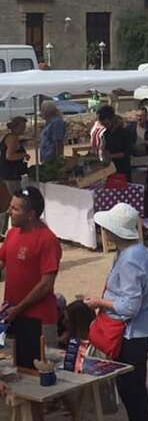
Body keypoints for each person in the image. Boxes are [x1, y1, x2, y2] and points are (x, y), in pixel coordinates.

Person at [85, 203, 148, 421]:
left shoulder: (130, 259)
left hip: (131, 335)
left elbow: (129, 307)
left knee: (132, 391)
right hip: (134, 331)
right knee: (131, 389)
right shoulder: (133, 251)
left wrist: (99, 302)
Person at [0, 187, 62, 345]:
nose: (9, 211)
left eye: (15, 208)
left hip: (39, 320)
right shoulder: (12, 233)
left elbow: (46, 285)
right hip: (11, 316)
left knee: (40, 366)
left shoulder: (48, 240)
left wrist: (19, 308)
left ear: (30, 215)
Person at [0, 116, 30, 235]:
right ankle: (7, 230)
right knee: (14, 202)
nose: (24, 129)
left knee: (7, 202)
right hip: (10, 175)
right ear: (16, 127)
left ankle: (3, 230)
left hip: (6, 174)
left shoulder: (8, 137)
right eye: (22, 126)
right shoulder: (12, 139)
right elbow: (9, 156)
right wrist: (23, 155)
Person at [97, 105, 133, 180]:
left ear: (111, 119)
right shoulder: (106, 133)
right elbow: (105, 149)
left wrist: (112, 156)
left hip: (123, 170)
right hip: (110, 170)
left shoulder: (125, 132)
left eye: (105, 123)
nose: (104, 125)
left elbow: (128, 152)